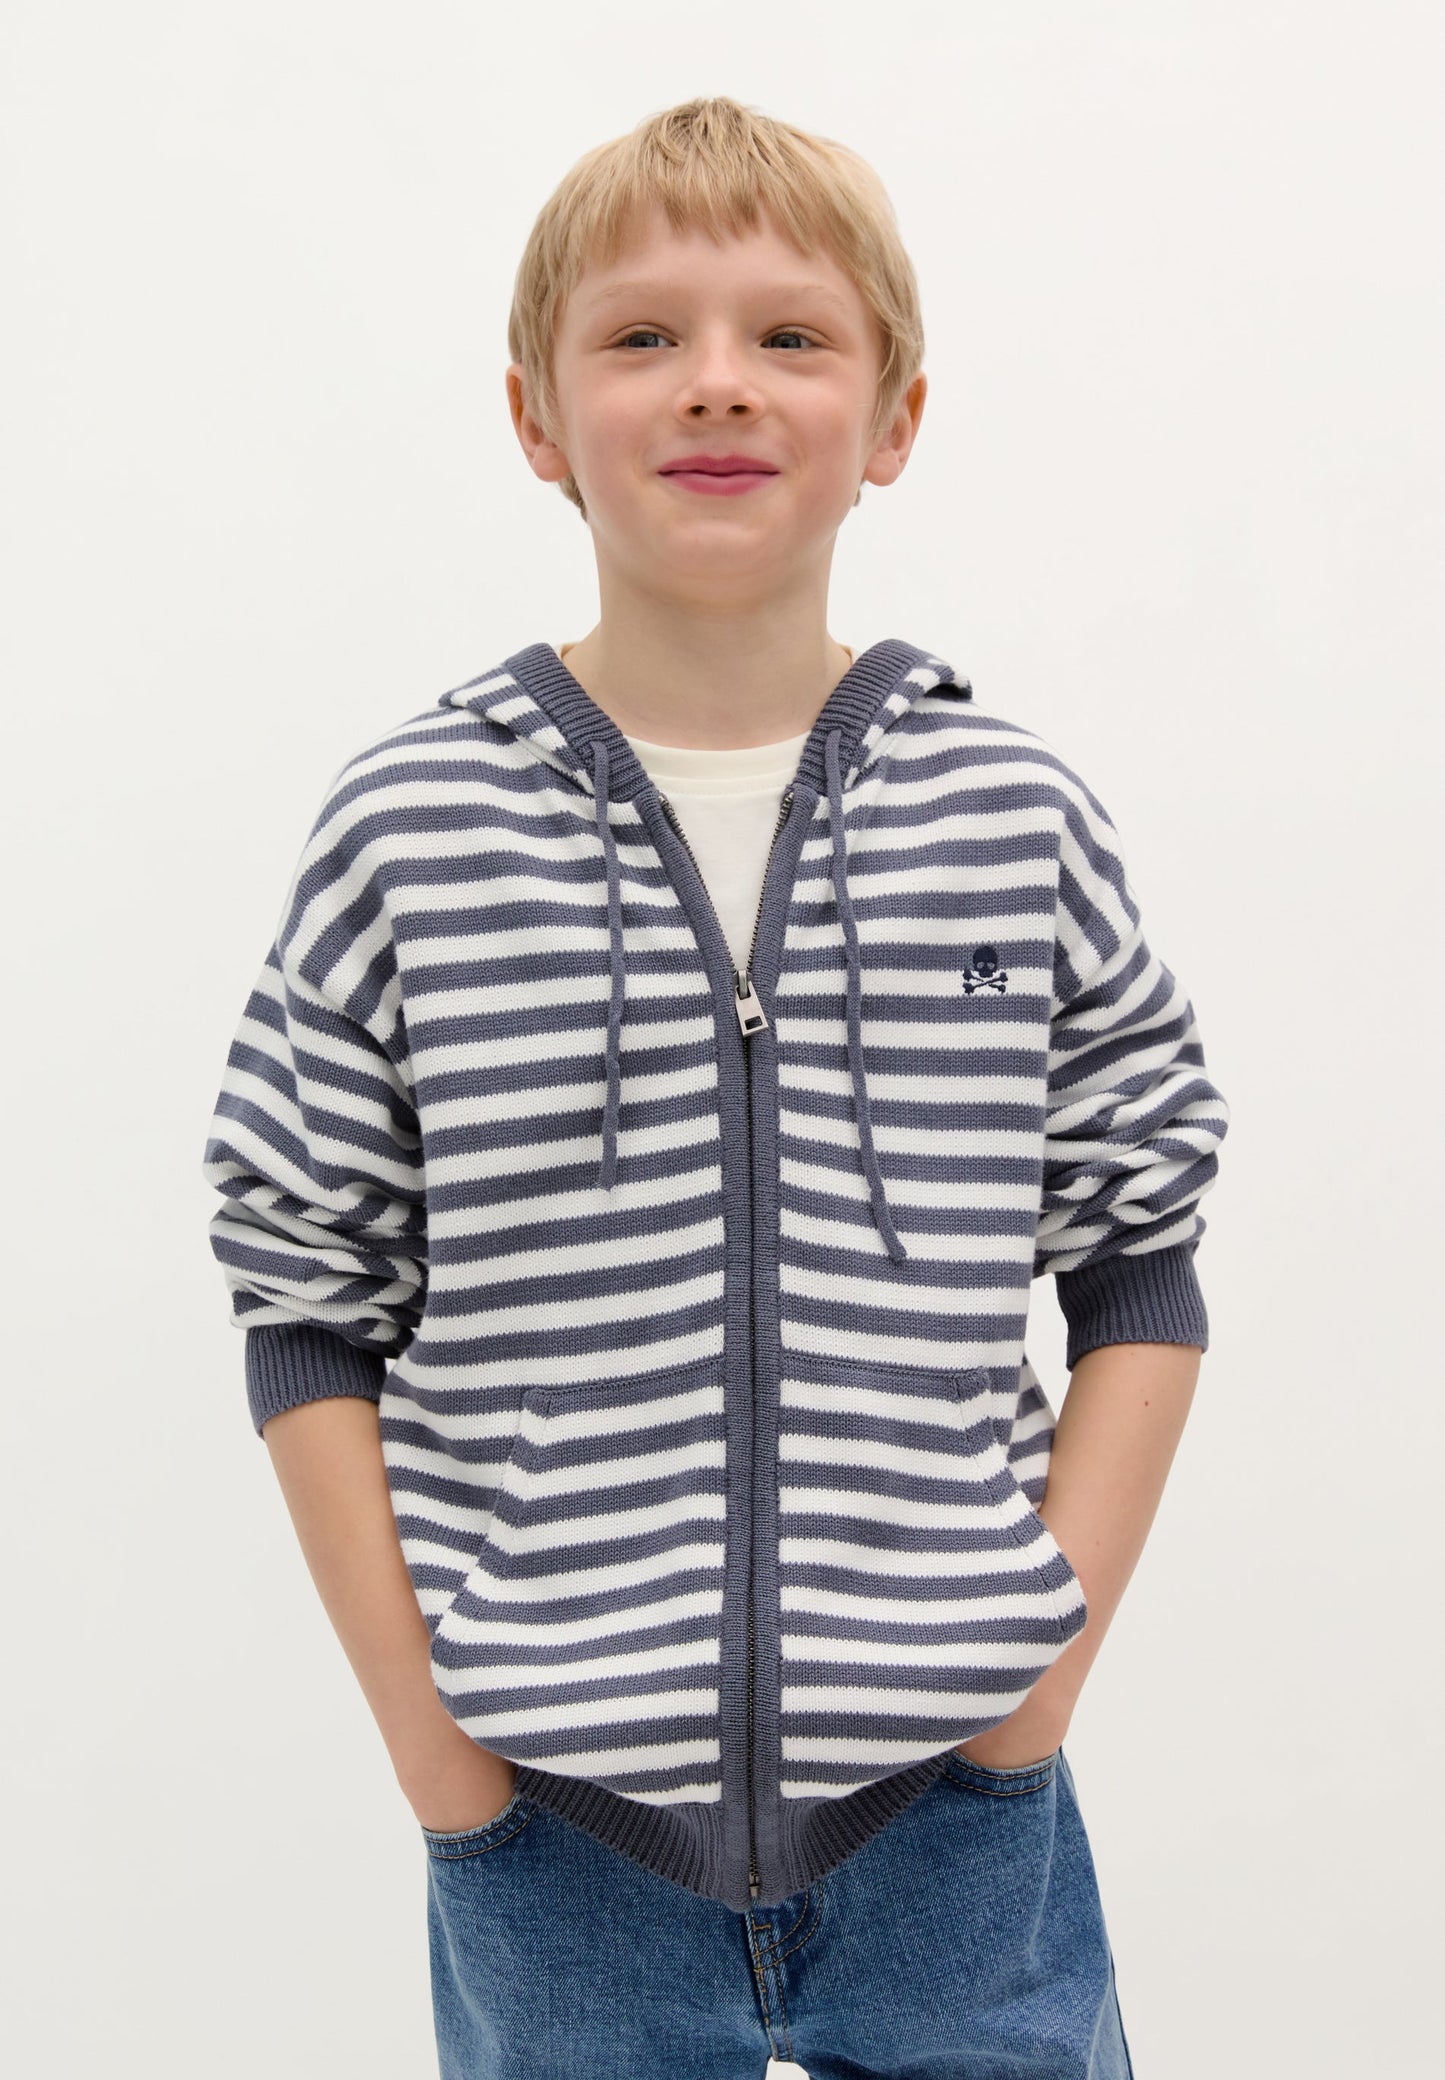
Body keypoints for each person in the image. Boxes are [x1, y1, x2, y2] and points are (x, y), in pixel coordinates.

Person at [200, 94, 1229, 2080]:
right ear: (536, 417)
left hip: (958, 1829)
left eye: (790, 333)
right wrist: (433, 1751)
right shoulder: (413, 828)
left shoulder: (1011, 817)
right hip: (550, 1838)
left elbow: (1140, 1267)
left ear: (895, 417)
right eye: (644, 334)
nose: (718, 382)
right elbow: (305, 1297)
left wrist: (1031, 1687)